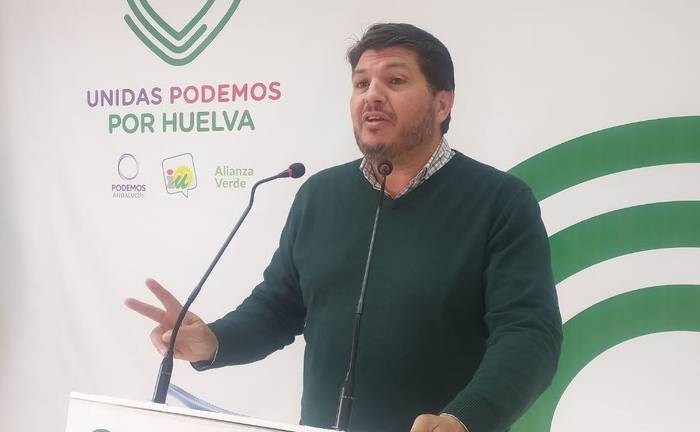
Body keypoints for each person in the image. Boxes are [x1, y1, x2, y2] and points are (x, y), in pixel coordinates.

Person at [126, 23, 562, 432]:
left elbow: (528, 335)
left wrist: (465, 418)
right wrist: (214, 340)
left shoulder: (500, 201)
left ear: (442, 103)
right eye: (361, 83)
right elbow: (278, 307)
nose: (372, 96)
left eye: (395, 81)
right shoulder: (320, 195)